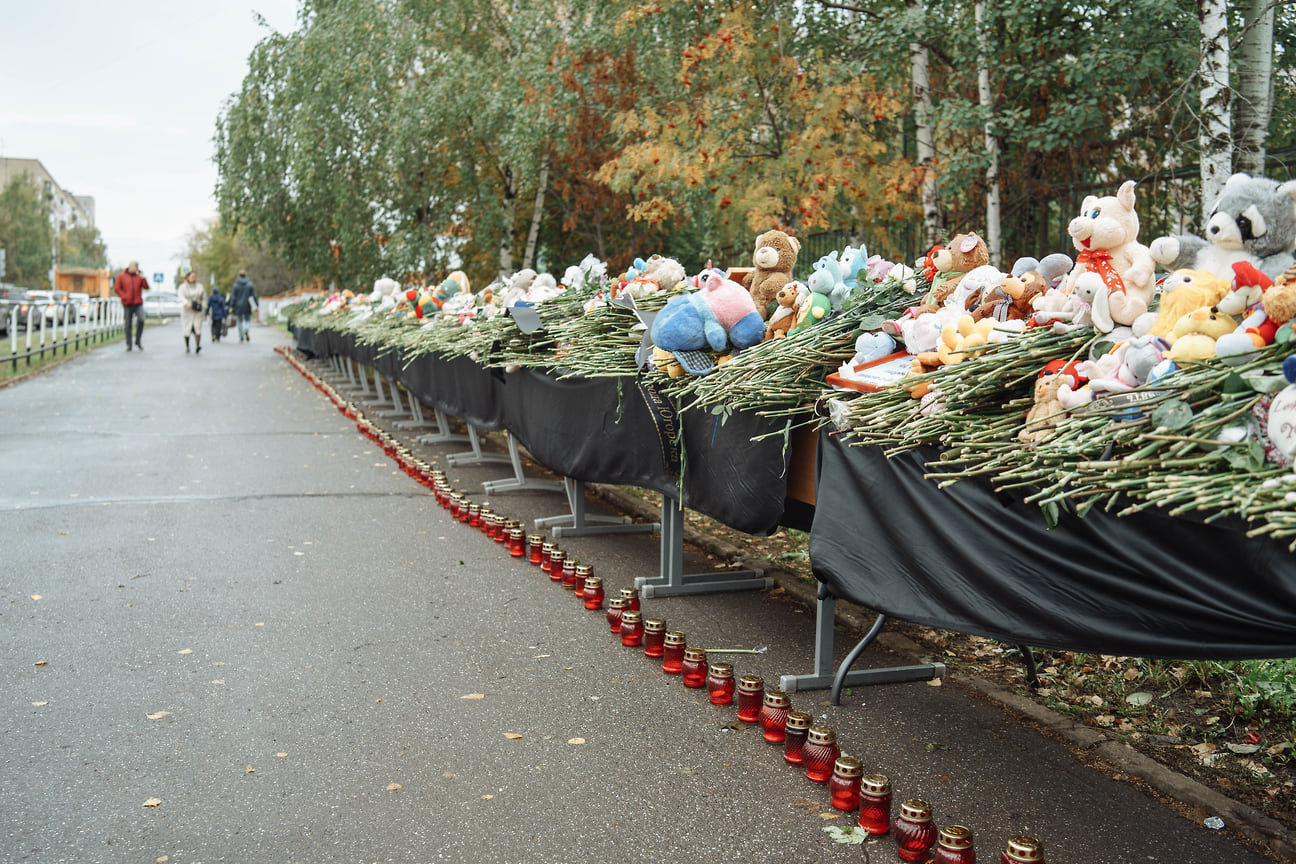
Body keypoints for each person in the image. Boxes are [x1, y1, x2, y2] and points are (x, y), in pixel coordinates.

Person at [112, 261, 149, 350]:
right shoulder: (121, 276)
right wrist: (124, 296)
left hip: (138, 303)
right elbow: (117, 288)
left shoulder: (138, 277)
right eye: (135, 267)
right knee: (128, 324)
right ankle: (129, 344)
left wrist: (143, 278)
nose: (136, 269)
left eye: (137, 267)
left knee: (141, 319)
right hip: (127, 303)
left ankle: (138, 340)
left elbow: (146, 287)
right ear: (130, 267)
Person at [177, 271, 206, 354]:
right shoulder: (183, 287)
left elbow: (204, 298)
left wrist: (203, 307)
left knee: (197, 328)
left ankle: (198, 345)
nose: (193, 278)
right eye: (192, 276)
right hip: (187, 311)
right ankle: (187, 346)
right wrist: (187, 304)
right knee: (187, 329)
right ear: (188, 277)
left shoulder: (200, 287)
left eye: (194, 276)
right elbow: (181, 297)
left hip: (197, 310)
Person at [230, 269, 258, 342]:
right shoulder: (250, 284)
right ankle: (247, 329)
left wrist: (231, 306)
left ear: (239, 276)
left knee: (239, 320)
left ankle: (241, 336)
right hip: (247, 305)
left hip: (238, 306)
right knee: (247, 319)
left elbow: (233, 297)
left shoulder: (235, 285)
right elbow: (254, 296)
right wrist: (256, 305)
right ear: (246, 275)